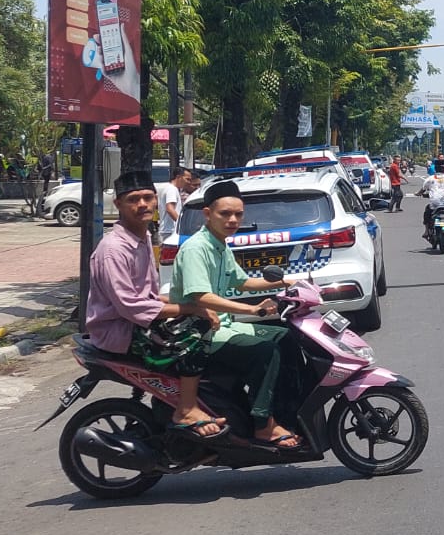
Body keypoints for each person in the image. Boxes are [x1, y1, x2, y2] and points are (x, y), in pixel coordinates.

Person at [86, 170, 221, 439]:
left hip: (135, 321)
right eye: (133, 200)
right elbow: (131, 307)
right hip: (120, 331)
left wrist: (191, 300)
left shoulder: (143, 237)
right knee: (195, 335)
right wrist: (192, 309)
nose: (143, 205)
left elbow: (148, 294)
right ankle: (185, 408)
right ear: (119, 205)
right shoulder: (114, 249)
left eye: (148, 197)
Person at [170, 179, 302, 449]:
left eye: (238, 214)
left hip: (223, 327)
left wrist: (287, 282)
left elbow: (241, 282)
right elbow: (202, 297)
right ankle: (263, 425)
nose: (233, 220)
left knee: (286, 337)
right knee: (265, 350)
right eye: (225, 214)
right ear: (208, 214)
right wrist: (252, 309)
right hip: (199, 334)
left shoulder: (220, 244)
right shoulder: (198, 248)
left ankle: (287, 411)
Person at [418, 159, 444, 238]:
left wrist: (418, 193)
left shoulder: (430, 178)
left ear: (435, 169)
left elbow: (423, 189)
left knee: (427, 212)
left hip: (434, 203)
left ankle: (426, 231)